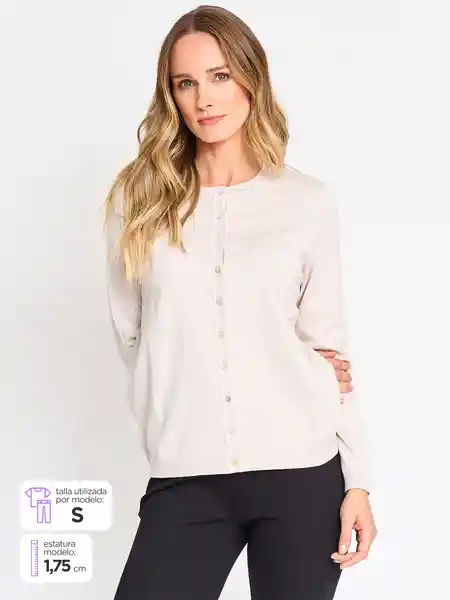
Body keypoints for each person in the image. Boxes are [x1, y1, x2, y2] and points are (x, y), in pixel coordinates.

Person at [103, 5, 377, 599]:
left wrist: (357, 481)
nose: (204, 98)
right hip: (187, 473)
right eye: (186, 83)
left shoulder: (304, 201)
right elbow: (132, 334)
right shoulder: (139, 201)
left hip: (301, 471)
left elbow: (329, 348)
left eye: (220, 76)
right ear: (171, 96)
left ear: (251, 77)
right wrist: (173, 413)